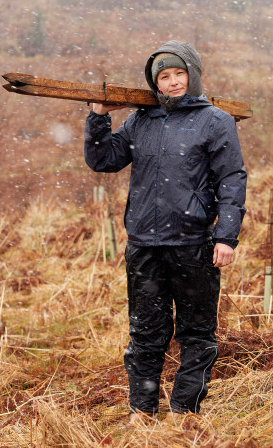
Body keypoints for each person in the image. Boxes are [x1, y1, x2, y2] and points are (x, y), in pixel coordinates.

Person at [84, 40, 247, 422]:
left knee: (196, 333)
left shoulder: (215, 121)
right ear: (154, 83)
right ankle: (142, 413)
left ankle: (183, 414)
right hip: (144, 246)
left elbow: (231, 180)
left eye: (179, 74)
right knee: (145, 335)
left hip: (193, 245)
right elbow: (103, 159)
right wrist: (97, 116)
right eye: (164, 76)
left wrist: (225, 237)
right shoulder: (141, 120)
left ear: (193, 75)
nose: (173, 82)